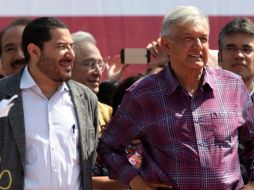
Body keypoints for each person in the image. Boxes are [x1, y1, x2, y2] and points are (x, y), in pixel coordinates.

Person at [98, 6, 254, 190]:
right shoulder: (143, 93)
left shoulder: (232, 86)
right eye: (188, 38)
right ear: (166, 44)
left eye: (203, 39)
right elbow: (108, 146)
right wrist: (135, 181)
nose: (198, 46)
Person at [0, 17, 98, 190]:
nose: (70, 55)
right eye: (62, 46)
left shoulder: (86, 99)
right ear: (34, 51)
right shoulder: (3, 95)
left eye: (71, 46)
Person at [71, 31, 127, 190]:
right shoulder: (52, 112)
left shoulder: (109, 114)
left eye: (100, 64)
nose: (97, 72)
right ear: (68, 65)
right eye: (89, 64)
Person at [218, 17, 254, 188]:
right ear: (220, 57)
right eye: (231, 48)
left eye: (246, 49)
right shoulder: (196, 101)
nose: (239, 55)